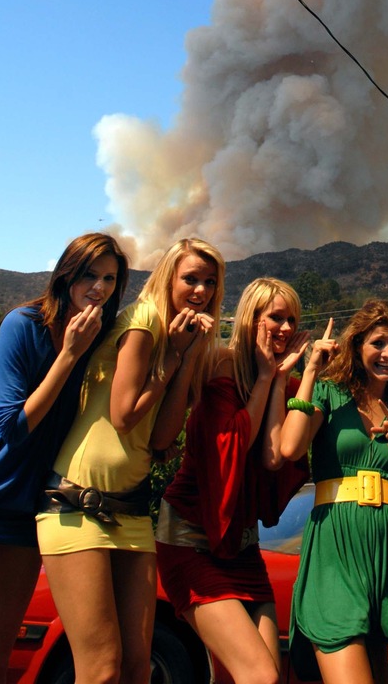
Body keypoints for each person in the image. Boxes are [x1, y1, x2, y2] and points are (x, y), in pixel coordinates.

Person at [36, 236, 224, 684]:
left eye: (210, 283)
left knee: (139, 668)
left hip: (132, 512)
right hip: (76, 506)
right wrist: (172, 357)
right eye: (190, 279)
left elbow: (161, 436)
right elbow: (123, 416)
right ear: (168, 278)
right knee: (100, 670)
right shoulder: (143, 322)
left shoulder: (179, 342)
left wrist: (185, 357)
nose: (200, 291)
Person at [0, 232, 127, 684]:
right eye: (89, 275)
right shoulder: (24, 324)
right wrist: (69, 355)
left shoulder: (102, 339)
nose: (98, 287)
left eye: (110, 278)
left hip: (26, 505)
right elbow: (12, 427)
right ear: (67, 274)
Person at [156, 277, 310, 684]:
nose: (287, 328)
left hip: (242, 545)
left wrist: (285, 379)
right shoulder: (222, 369)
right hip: (190, 538)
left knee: (269, 674)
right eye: (276, 317)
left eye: (292, 319)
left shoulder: (282, 378)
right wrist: (264, 379)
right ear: (250, 319)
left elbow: (279, 456)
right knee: (259, 675)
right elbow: (232, 444)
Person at [281, 299, 388, 684]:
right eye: (378, 342)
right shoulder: (329, 393)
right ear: (357, 345)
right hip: (337, 548)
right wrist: (310, 370)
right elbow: (290, 447)